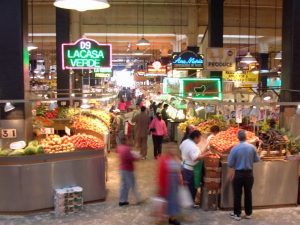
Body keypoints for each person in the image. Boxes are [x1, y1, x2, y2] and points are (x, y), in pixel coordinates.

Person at [228, 130, 260, 221]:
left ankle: (237, 214)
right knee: (248, 193)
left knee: (237, 194)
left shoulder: (235, 148)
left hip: (238, 174)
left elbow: (230, 163)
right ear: (246, 137)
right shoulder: (252, 147)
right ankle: (248, 213)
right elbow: (257, 160)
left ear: (238, 138)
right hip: (249, 174)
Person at [180, 130, 211, 202]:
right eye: (199, 138)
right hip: (190, 169)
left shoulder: (185, 141)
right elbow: (195, 158)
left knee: (186, 185)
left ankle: (186, 201)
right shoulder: (193, 147)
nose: (200, 140)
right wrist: (206, 155)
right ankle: (190, 202)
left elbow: (180, 148)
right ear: (196, 138)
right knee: (191, 187)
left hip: (184, 165)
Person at [158, 147, 182, 225]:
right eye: (171, 149)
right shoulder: (164, 159)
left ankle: (171, 218)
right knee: (169, 201)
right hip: (168, 184)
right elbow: (161, 174)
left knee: (172, 201)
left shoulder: (175, 158)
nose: (173, 150)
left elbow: (179, 169)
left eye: (174, 149)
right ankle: (170, 218)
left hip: (173, 184)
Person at [117, 136, 141, 206]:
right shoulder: (126, 149)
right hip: (128, 169)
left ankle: (122, 200)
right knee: (132, 184)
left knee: (124, 185)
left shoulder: (120, 148)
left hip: (122, 169)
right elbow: (130, 158)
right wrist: (137, 157)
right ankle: (138, 199)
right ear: (125, 141)